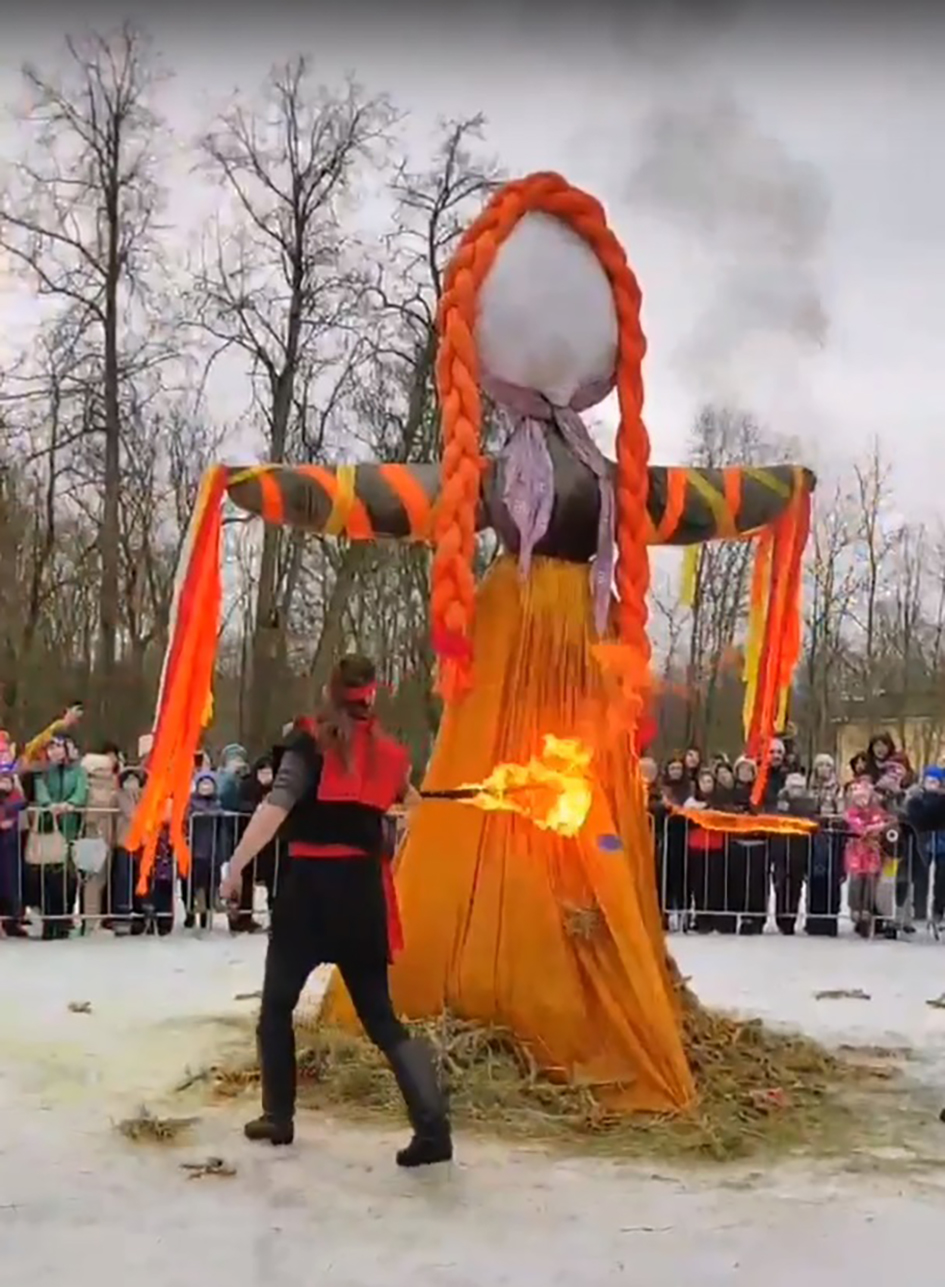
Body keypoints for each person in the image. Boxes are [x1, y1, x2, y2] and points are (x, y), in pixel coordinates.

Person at [219, 654, 453, 1168]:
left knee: (278, 1006)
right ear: (373, 695)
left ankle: (278, 1117)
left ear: (330, 691)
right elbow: (410, 804)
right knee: (382, 1019)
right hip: (361, 893)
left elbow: (275, 807)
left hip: (309, 892)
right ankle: (433, 1130)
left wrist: (236, 865)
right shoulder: (390, 756)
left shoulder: (310, 742)